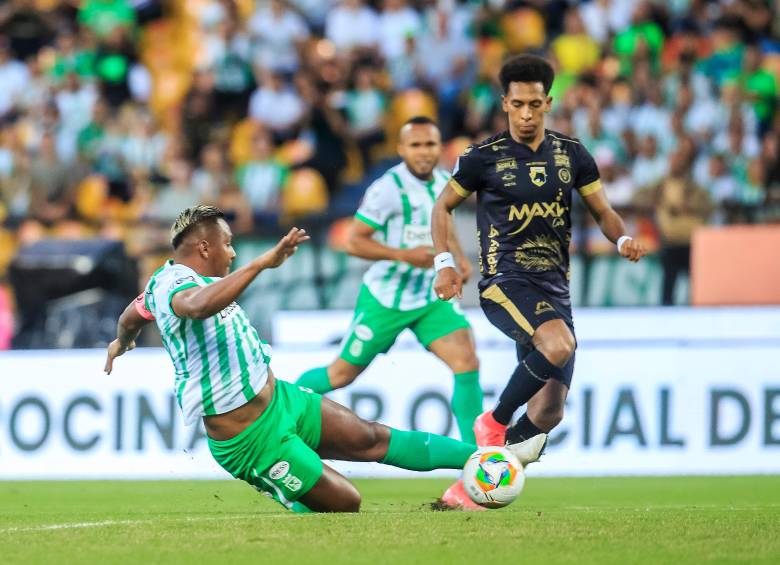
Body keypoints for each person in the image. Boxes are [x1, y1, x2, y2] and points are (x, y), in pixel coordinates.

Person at [105, 205, 532, 513]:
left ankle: (490, 458)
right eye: (228, 244)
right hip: (250, 440)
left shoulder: (172, 285)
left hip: (281, 400)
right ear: (203, 246)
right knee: (346, 503)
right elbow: (197, 306)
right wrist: (261, 263)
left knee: (372, 438)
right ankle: (282, 487)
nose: (232, 253)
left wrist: (121, 341)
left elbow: (133, 313)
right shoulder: (175, 281)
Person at [431, 55, 647, 463]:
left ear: (548, 103)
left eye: (534, 104)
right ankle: (494, 422)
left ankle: (484, 471)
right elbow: (442, 206)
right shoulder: (483, 157)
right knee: (559, 343)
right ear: (504, 104)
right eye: (517, 105)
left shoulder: (572, 154)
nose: (526, 114)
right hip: (506, 283)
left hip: (555, 290)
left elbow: (603, 210)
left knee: (549, 412)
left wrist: (621, 239)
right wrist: (444, 262)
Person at [296, 116, 483, 443]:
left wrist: (459, 259)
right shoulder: (387, 189)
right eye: (415, 145)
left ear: (440, 148)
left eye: (430, 144)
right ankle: (283, 411)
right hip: (386, 298)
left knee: (466, 361)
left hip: (429, 297)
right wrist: (403, 255)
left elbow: (444, 224)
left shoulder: (444, 181)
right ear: (401, 149)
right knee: (340, 374)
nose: (423, 152)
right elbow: (354, 242)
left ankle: (474, 457)